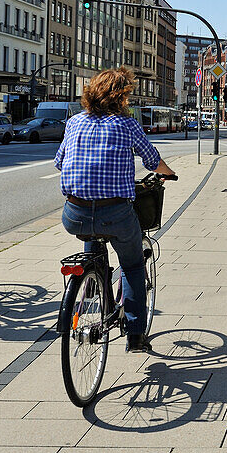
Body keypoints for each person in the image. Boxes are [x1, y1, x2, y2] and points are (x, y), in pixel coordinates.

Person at [54, 68, 176, 353]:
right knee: (132, 265)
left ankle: (93, 275)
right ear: (122, 96)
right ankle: (135, 334)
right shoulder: (126, 124)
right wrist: (169, 173)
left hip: (74, 214)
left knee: (92, 233)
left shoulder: (74, 122)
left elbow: (59, 162)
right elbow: (151, 160)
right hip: (116, 213)